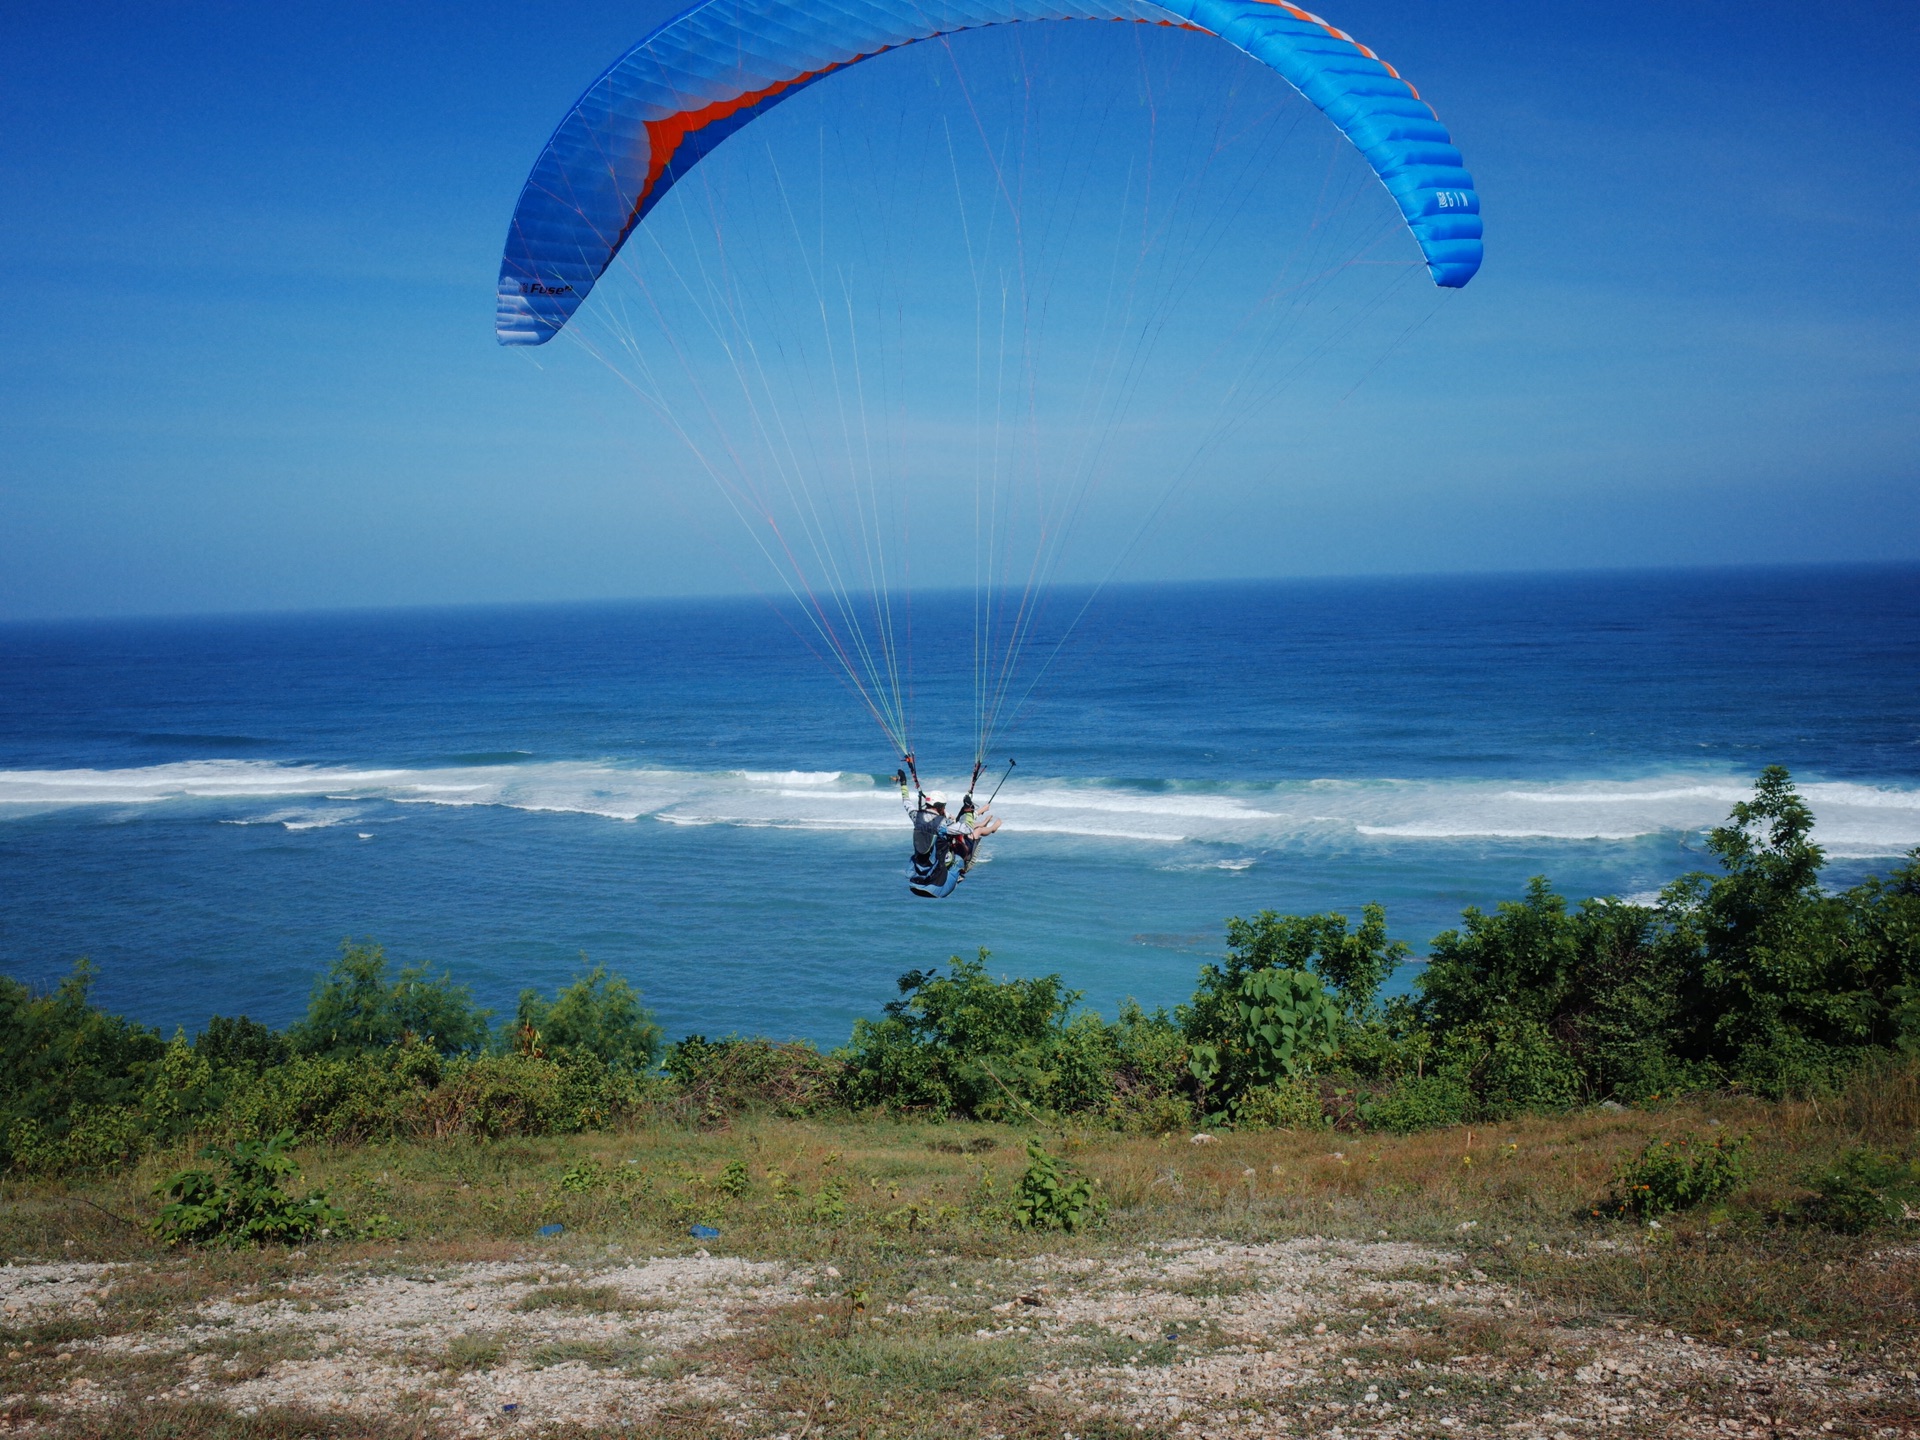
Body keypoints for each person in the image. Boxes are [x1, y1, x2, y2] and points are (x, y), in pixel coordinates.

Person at [896, 771, 1001, 898]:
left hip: (919, 876)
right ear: (940, 807)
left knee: (962, 834)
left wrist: (903, 784)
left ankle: (986, 825)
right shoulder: (943, 825)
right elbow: (967, 828)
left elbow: (906, 802)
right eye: (944, 807)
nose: (944, 809)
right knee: (967, 841)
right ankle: (959, 872)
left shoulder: (916, 816)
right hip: (940, 884)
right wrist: (968, 810)